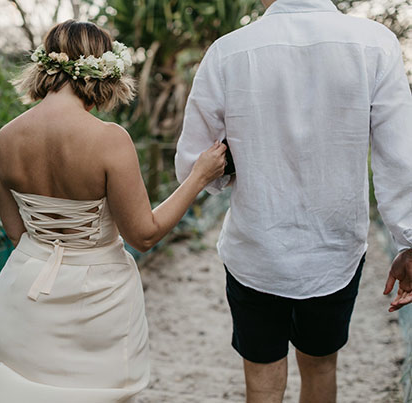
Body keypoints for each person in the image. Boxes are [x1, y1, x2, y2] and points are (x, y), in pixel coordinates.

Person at [0, 20, 227, 403]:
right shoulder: (109, 140)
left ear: (45, 66)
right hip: (95, 303)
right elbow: (144, 234)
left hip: (23, 296)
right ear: (103, 72)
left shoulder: (5, 138)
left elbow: (15, 232)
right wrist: (199, 176)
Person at [175, 0, 412, 402]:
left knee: (262, 378)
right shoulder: (374, 44)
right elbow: (400, 156)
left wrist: (237, 166)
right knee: (321, 366)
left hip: (255, 249)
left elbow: (194, 162)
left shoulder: (229, 51)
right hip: (336, 249)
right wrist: (408, 239)